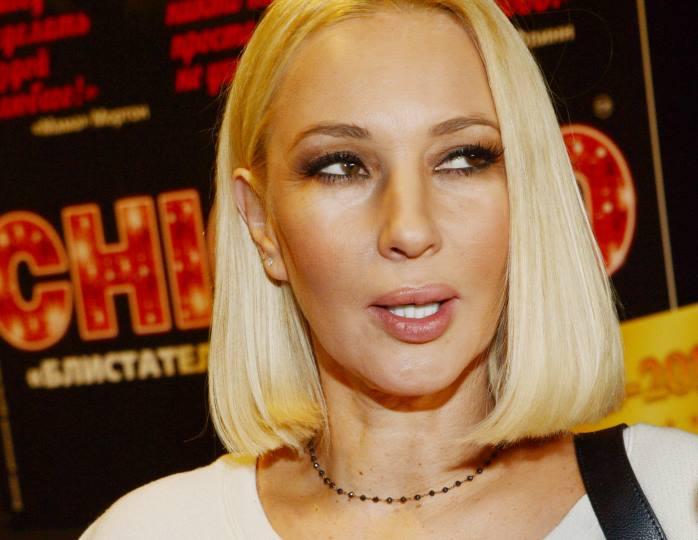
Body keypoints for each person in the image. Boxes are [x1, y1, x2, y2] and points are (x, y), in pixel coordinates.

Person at [81, 0, 698, 538]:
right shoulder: (154, 530)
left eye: (463, 158)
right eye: (341, 166)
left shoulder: (678, 497)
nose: (409, 229)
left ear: (529, 192)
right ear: (261, 222)